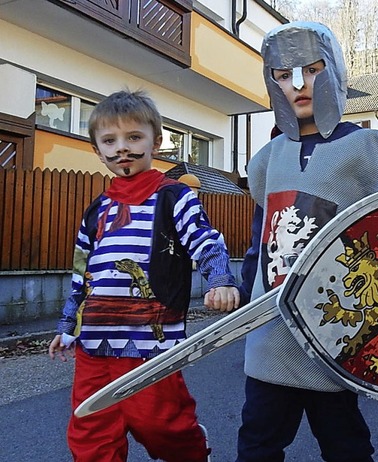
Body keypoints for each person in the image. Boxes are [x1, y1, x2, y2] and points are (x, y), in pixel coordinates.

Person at [236, 22, 378, 462]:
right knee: (257, 443)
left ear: (333, 71)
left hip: (336, 328)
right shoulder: (266, 159)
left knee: (345, 445)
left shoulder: (371, 150)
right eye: (282, 75)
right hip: (271, 327)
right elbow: (262, 240)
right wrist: (243, 295)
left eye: (312, 69)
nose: (297, 85)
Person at [48, 90, 240, 462]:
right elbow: (80, 272)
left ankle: (193, 448)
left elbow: (206, 240)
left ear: (157, 140)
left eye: (134, 137)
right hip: (95, 344)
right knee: (90, 432)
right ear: (97, 150)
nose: (122, 148)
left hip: (150, 343)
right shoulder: (96, 211)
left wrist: (220, 280)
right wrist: (67, 323)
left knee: (161, 427)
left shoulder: (174, 197)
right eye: (110, 140)